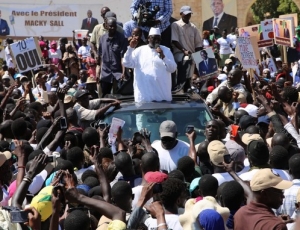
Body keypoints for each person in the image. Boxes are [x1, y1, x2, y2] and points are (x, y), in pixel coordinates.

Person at [123, 27, 177, 103]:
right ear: (148, 38)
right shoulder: (139, 50)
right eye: (154, 38)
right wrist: (130, 48)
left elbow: (172, 69)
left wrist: (164, 57)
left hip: (162, 97)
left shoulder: (166, 50)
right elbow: (126, 63)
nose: (157, 41)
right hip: (144, 98)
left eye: (159, 39)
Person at [98, 17, 128, 97]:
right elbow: (100, 57)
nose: (112, 28)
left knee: (120, 96)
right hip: (105, 73)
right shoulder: (102, 39)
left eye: (114, 26)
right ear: (106, 26)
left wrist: (123, 72)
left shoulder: (122, 38)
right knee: (104, 96)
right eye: (110, 26)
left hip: (118, 73)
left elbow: (123, 57)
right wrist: (98, 73)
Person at [171, 6, 202, 78]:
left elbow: (198, 44)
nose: (188, 16)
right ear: (181, 14)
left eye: (189, 14)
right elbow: (174, 40)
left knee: (191, 77)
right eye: (186, 14)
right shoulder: (175, 25)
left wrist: (198, 57)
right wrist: (184, 51)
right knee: (182, 76)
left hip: (191, 55)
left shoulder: (193, 27)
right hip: (179, 53)